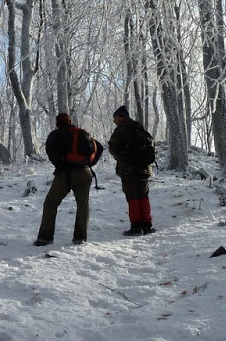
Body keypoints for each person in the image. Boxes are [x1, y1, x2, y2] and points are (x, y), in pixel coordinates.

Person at [34, 113, 102, 246]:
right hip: (84, 173)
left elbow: (51, 153)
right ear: (70, 121)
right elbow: (99, 147)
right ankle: (80, 238)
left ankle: (45, 238)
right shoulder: (82, 133)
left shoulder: (55, 135)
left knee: (50, 203)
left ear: (57, 123)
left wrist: (60, 165)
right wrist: (88, 164)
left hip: (64, 174)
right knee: (83, 205)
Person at [108, 105, 155, 236]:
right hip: (144, 169)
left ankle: (135, 227)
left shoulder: (121, 130)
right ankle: (147, 225)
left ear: (121, 117)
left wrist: (124, 158)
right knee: (144, 197)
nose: (114, 121)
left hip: (129, 170)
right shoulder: (139, 128)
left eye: (115, 118)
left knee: (132, 197)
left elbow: (112, 148)